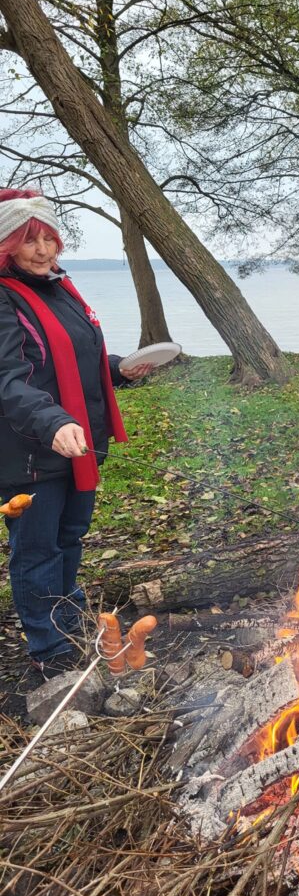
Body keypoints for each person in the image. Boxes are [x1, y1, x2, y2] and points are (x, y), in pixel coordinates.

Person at [0, 189, 151, 680]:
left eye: (50, 238)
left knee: (69, 538)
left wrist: (120, 370)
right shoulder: (4, 298)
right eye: (30, 240)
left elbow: (72, 362)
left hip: (76, 444)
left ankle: (67, 621)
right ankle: (50, 652)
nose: (44, 250)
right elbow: (11, 380)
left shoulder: (58, 288)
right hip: (29, 451)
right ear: (7, 246)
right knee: (37, 549)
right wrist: (55, 422)